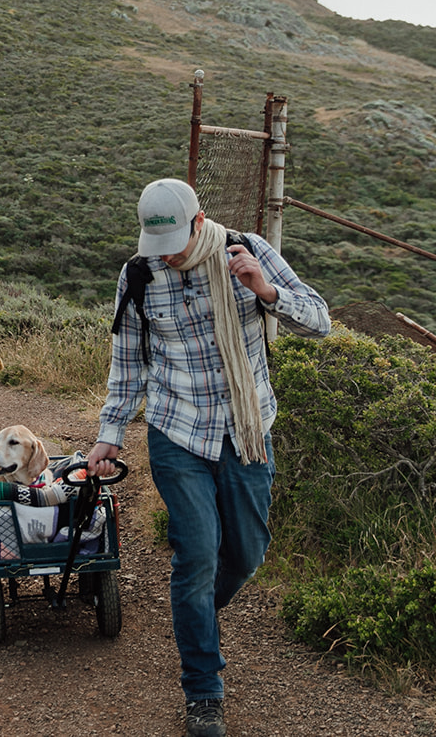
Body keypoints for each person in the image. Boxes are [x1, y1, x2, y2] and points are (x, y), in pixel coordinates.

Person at [87, 178, 330, 737]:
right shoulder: (140, 274)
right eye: (158, 244)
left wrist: (266, 291)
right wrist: (111, 432)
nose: (167, 255)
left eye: (175, 241)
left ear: (199, 223)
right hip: (178, 433)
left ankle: (193, 615)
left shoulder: (248, 250)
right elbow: (129, 362)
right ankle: (203, 690)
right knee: (196, 556)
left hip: (246, 431)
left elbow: (320, 321)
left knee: (245, 555)